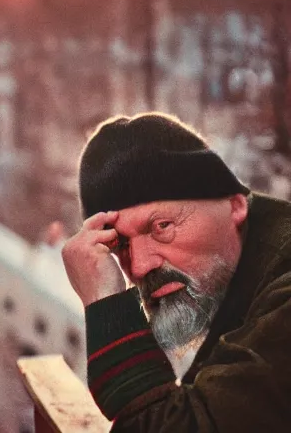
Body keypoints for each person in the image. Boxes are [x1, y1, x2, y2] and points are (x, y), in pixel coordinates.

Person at [61, 112, 291, 432]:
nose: (139, 266)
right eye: (121, 244)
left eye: (162, 226)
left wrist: (105, 303)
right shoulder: (242, 278)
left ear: (235, 205)